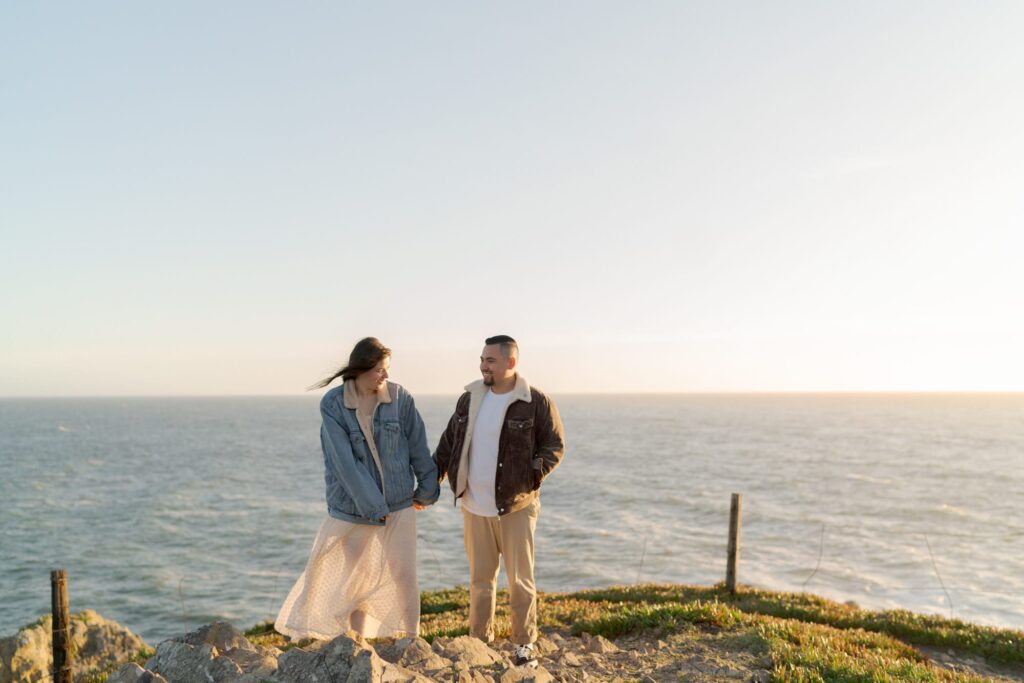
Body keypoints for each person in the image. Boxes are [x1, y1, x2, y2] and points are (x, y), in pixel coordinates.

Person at [275, 337, 439, 640]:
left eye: (387, 369)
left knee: (404, 575)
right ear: (360, 370)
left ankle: (412, 638)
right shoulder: (334, 404)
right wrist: (375, 509)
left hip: (400, 504)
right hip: (354, 510)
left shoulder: (400, 398)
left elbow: (417, 445)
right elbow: (344, 464)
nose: (385, 376)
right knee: (357, 580)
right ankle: (357, 641)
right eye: (379, 370)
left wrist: (427, 488)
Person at [434, 335, 565, 668]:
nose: (483, 366)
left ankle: (523, 645)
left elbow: (554, 445)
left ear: (511, 362)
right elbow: (448, 445)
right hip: (473, 505)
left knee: (520, 581)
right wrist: (429, 485)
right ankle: (480, 642)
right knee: (480, 581)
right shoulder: (470, 399)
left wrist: (532, 476)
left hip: (515, 507)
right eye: (481, 359)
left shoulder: (535, 401)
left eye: (490, 360)